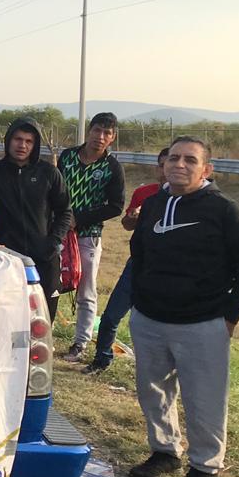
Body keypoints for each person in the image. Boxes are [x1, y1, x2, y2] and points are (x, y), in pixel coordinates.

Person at [126, 136, 239, 477]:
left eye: (189, 160)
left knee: (204, 397)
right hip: (151, 318)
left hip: (203, 322)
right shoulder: (153, 204)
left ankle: (206, 465)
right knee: (153, 392)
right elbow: (138, 253)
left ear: (206, 169)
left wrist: (231, 315)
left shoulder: (222, 210)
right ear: (164, 164)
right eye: (173, 158)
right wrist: (139, 302)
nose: (179, 165)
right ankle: (165, 450)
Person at [0, 117, 72, 318]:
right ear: (8, 140)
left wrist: (53, 242)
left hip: (45, 261)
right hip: (10, 261)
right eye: (18, 139)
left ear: (35, 145)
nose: (22, 145)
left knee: (42, 322)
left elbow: (65, 211)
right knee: (10, 320)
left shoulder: (48, 172)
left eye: (28, 141)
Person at [83, 147, 168, 374]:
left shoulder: (188, 202)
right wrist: (133, 218)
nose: (166, 170)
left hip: (168, 271)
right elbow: (126, 224)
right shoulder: (144, 193)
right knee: (111, 316)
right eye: (162, 165)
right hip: (138, 263)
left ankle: (156, 370)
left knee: (157, 325)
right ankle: (101, 359)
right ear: (157, 168)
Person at [58, 112, 126, 362]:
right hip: (59, 232)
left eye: (107, 133)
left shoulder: (111, 167)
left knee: (86, 289)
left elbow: (116, 206)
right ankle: (42, 333)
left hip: (88, 236)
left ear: (112, 138)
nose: (100, 137)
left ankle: (80, 342)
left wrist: (81, 218)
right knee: (52, 283)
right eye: (97, 130)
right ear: (89, 131)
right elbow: (56, 189)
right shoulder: (68, 157)